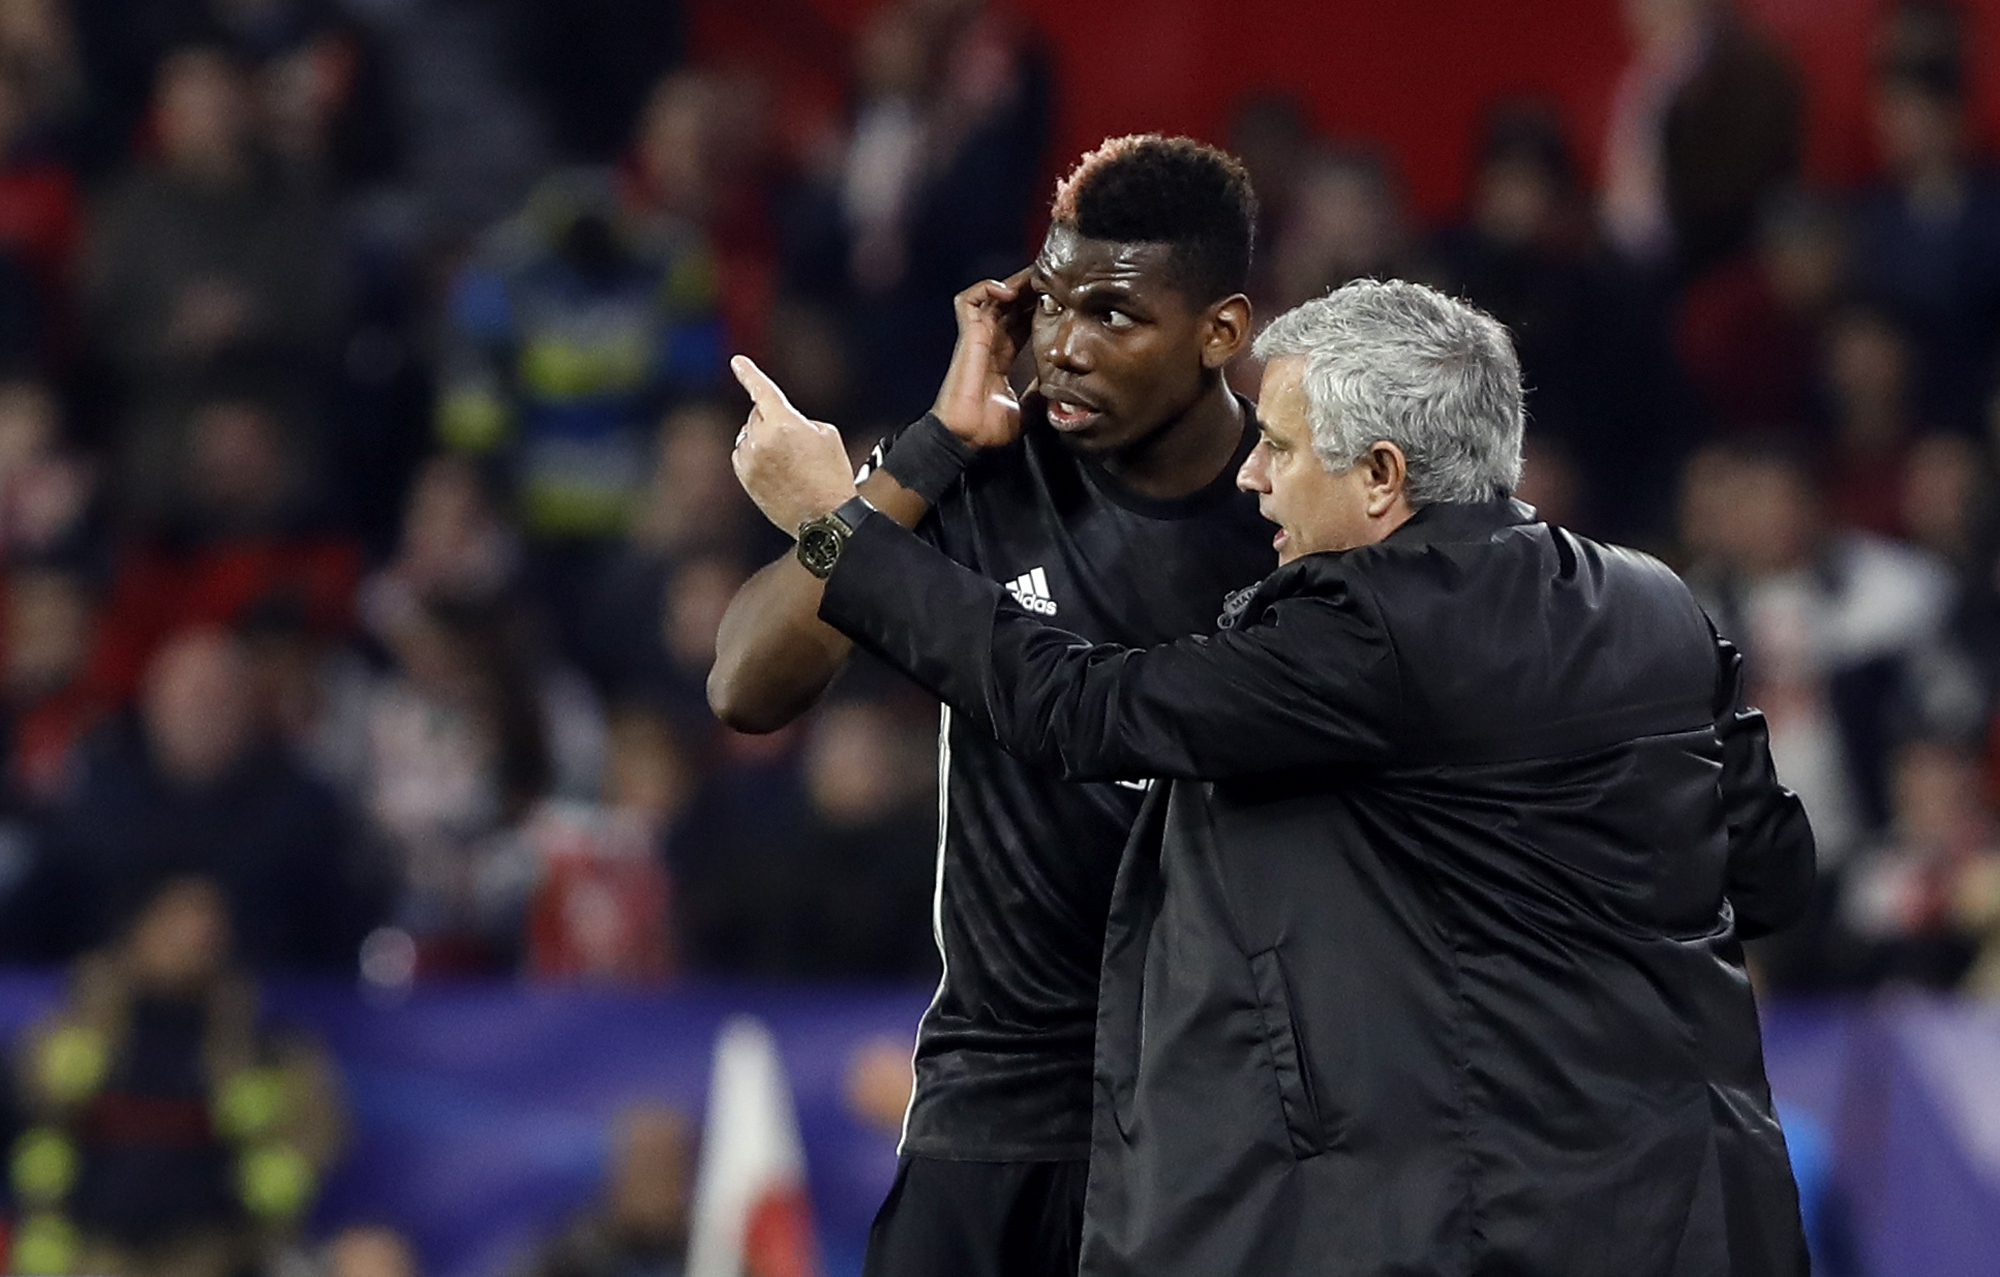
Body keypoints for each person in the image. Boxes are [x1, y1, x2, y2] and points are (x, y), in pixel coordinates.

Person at [726, 276, 1816, 1276]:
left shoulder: (1368, 626)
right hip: (1693, 1214)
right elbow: (1766, 876)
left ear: (1382, 476)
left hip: (1479, 1225)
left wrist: (846, 532)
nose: (1250, 473)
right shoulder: (1657, 601)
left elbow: (1076, 705)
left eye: (1282, 448)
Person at [707, 135, 1275, 1275]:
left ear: (1219, 332)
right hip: (991, 1104)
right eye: (1052, 303)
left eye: (1114, 315)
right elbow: (747, 683)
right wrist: (919, 454)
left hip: (1220, 1115)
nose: (1063, 346)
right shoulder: (985, 478)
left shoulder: (1285, 513)